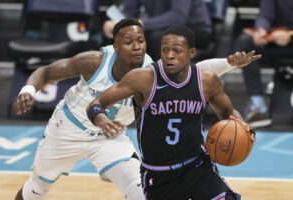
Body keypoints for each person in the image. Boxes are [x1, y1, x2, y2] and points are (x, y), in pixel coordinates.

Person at [14, 18, 258, 200]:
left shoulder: (150, 70)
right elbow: (46, 72)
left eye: (140, 40)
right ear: (116, 47)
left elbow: (195, 69)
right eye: (128, 42)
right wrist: (28, 90)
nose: (137, 46)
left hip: (110, 139)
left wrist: (228, 63)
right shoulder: (93, 62)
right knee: (37, 190)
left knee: (138, 191)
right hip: (68, 130)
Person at [87, 25, 257, 199]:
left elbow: (228, 112)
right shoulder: (143, 79)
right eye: (165, 50)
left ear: (191, 53)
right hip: (159, 175)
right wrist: (102, 120)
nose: (170, 55)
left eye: (177, 50)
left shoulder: (206, 81)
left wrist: (244, 129)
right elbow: (96, 104)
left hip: (197, 167)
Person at [233, 0, 293, 128]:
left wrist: (290, 34)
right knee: (246, 43)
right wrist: (261, 30)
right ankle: (258, 105)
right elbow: (265, 15)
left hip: (288, 37)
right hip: (278, 40)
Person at [103, 0, 213, 61]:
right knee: (117, 36)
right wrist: (116, 24)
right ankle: (117, 86)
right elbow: (129, 13)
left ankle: (166, 90)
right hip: (160, 27)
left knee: (159, 38)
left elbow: (178, 16)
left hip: (195, 28)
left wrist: (143, 24)